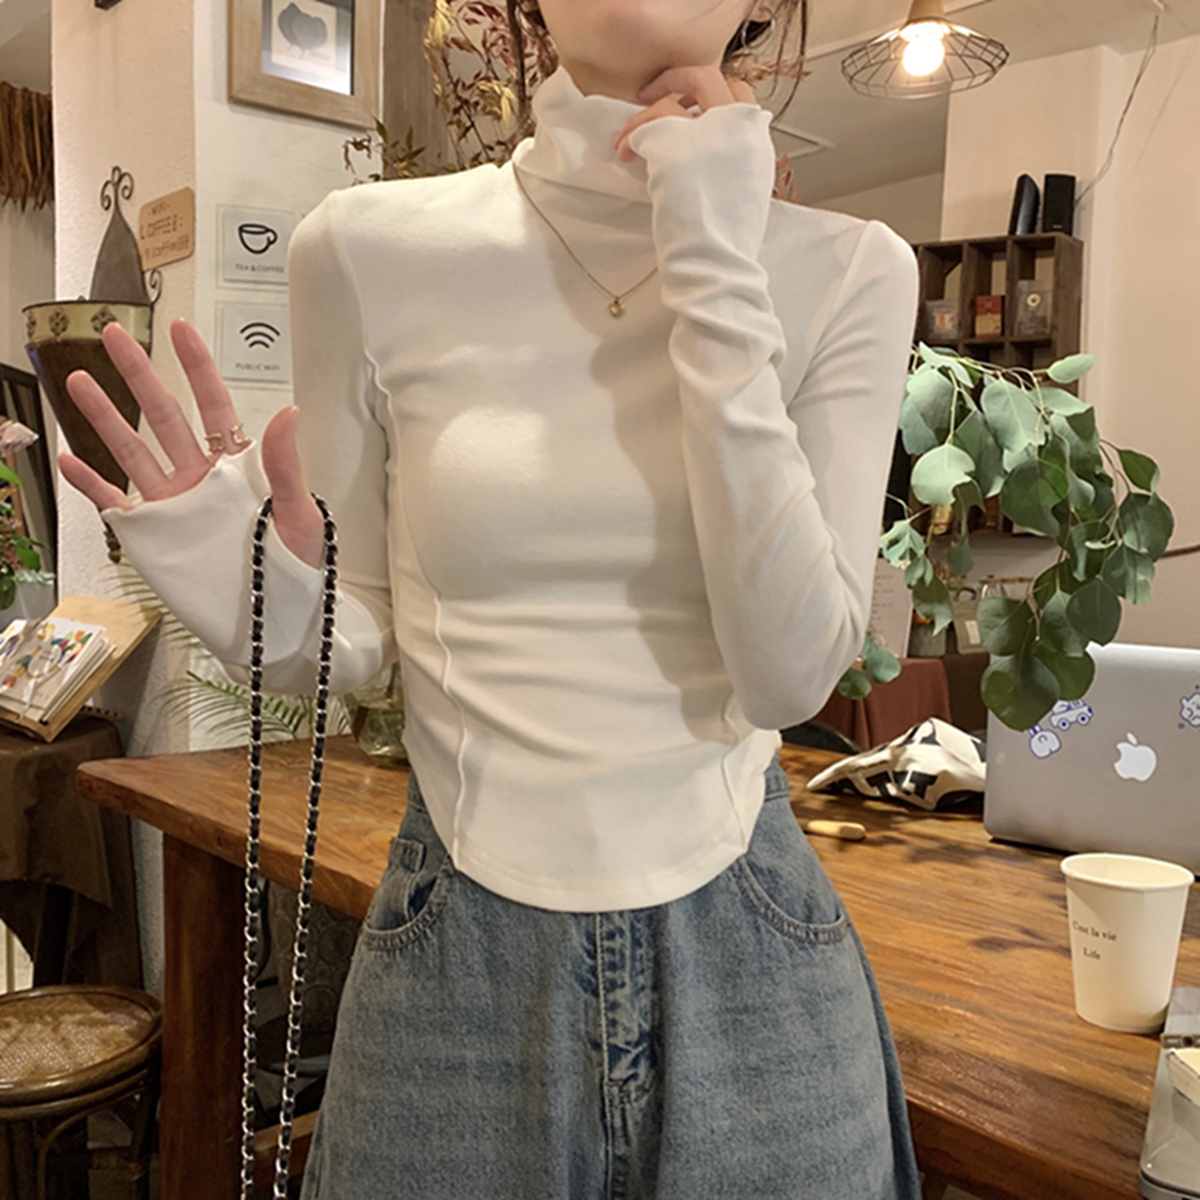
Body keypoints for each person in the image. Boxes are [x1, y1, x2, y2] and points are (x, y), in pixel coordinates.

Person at [62, 1, 922, 1195]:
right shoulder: (362, 248)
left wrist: (715, 252)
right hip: (455, 943)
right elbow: (358, 639)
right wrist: (253, 588)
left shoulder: (852, 268)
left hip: (753, 948)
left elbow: (789, 676)